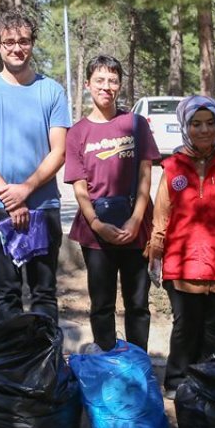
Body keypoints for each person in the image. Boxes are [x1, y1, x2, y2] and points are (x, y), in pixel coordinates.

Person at [146, 96, 215, 397]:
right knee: (185, 326)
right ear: (185, 126)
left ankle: (212, 381)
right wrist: (156, 254)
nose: (204, 130)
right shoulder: (173, 166)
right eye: (196, 124)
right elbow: (162, 214)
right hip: (183, 263)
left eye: (210, 123)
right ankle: (178, 381)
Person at [0, 12, 71, 322]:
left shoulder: (51, 91)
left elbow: (59, 151)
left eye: (23, 41)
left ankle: (43, 365)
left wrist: (25, 190)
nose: (16, 48)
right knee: (6, 293)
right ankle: (15, 367)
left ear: (32, 44)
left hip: (42, 207)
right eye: (9, 41)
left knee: (44, 293)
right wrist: (7, 195)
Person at [65, 55, 160, 352]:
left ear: (120, 85)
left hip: (136, 227)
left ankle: (137, 362)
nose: (107, 87)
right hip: (96, 233)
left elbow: (146, 175)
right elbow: (80, 187)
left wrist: (136, 220)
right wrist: (96, 224)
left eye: (113, 81)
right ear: (88, 85)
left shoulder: (135, 123)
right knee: (102, 304)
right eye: (100, 80)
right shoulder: (77, 132)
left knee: (138, 304)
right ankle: (107, 363)